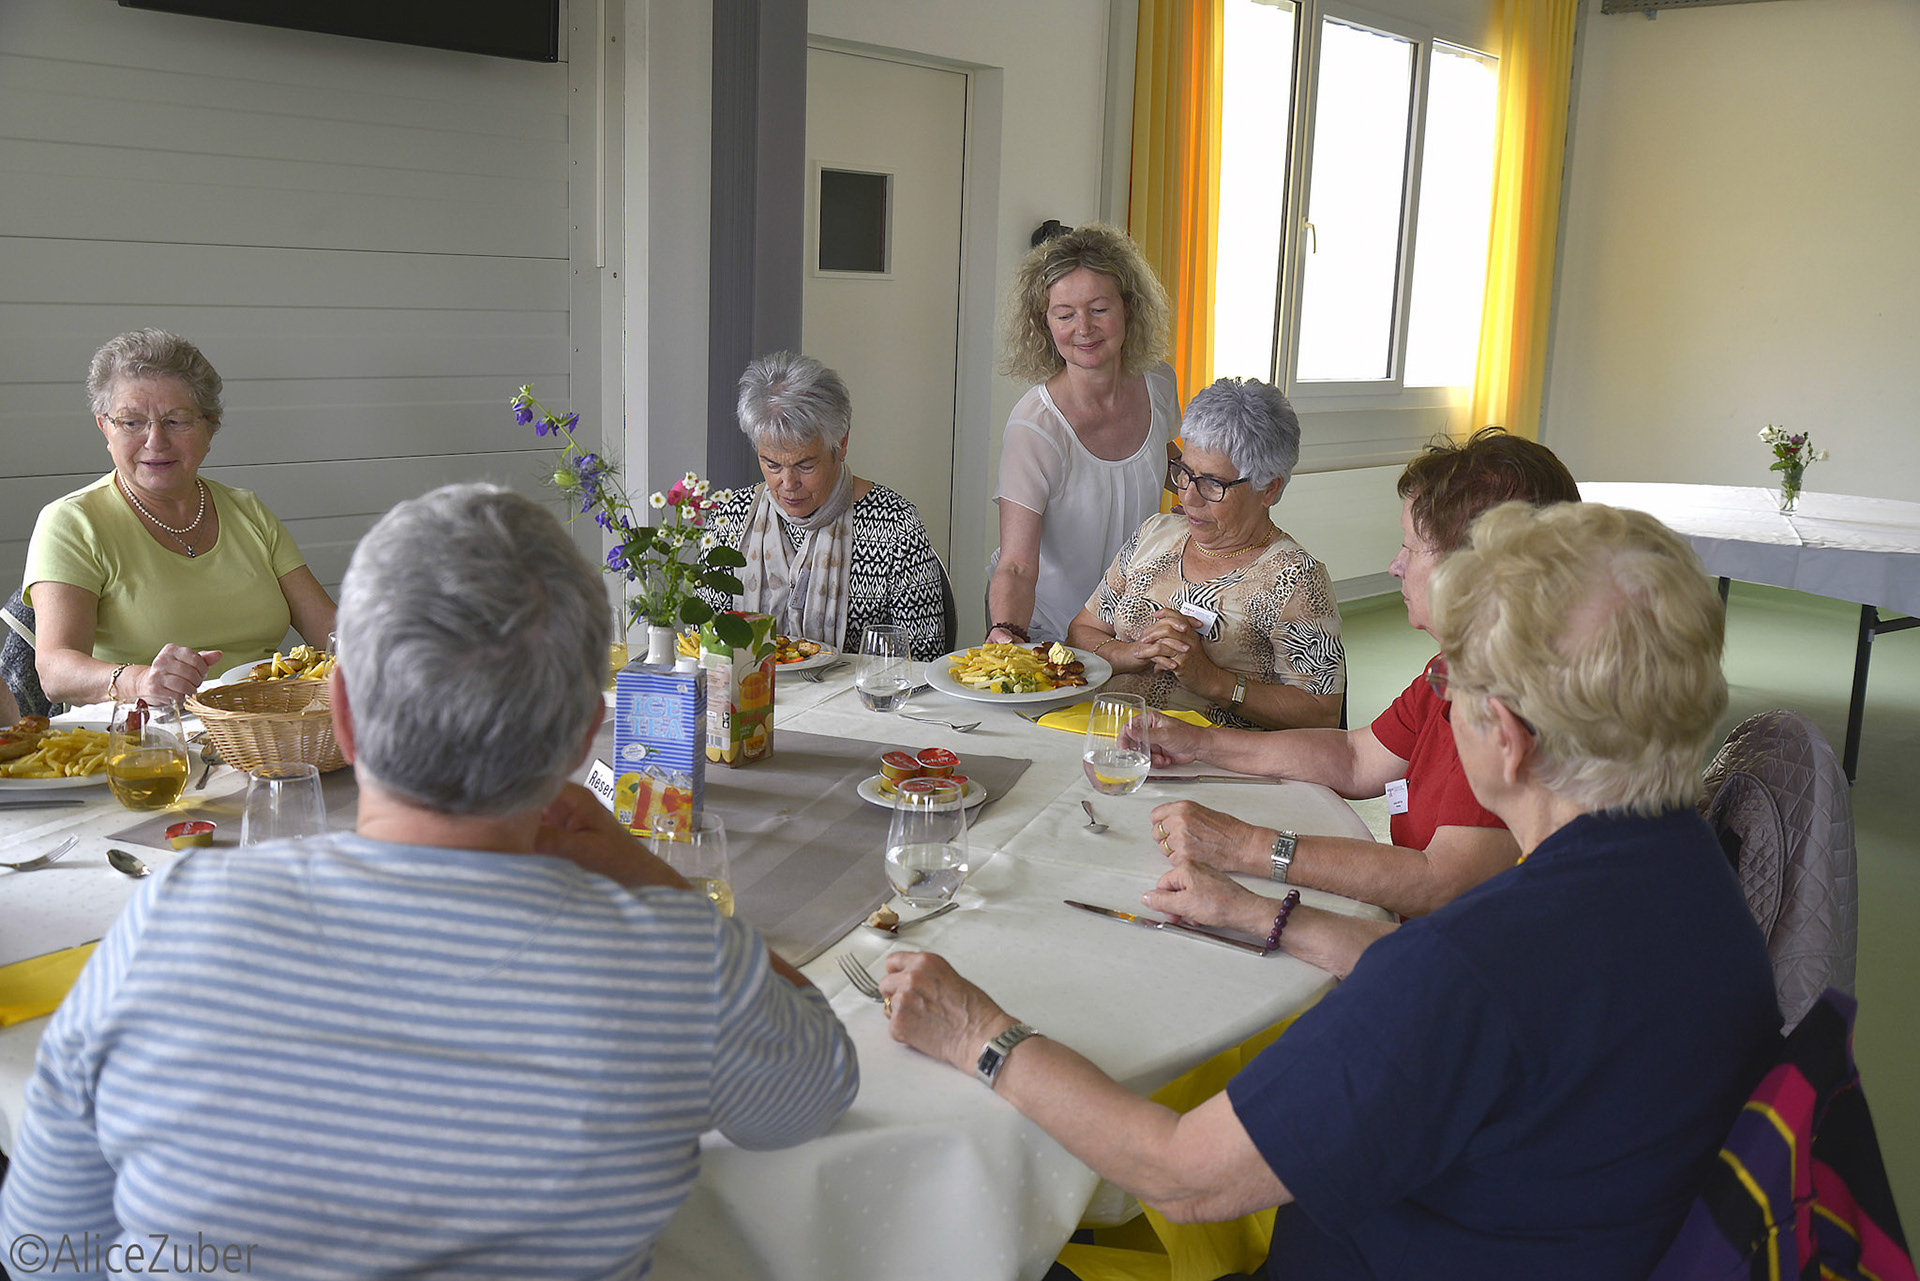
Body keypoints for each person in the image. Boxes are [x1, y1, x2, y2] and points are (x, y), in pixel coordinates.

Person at [878, 500, 1781, 1279]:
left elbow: (1184, 1173)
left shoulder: (1472, 968)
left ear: (1506, 738)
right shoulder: (1695, 875)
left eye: (1449, 681)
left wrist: (978, 1034)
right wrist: (1269, 913)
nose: (1440, 694)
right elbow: (1506, 1015)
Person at [0, 484, 858, 1276]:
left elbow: (43, 1249)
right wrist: (638, 865)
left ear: (340, 714)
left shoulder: (168, 924)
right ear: (581, 739)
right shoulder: (682, 965)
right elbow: (815, 1091)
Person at [1144, 427, 1580, 919]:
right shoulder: (1454, 668)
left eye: (1412, 549)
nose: (1394, 566)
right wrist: (1196, 742)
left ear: (1475, 570)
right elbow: (1355, 757)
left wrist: (1245, 846)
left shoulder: (1513, 704)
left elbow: (1439, 882)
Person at [25, 329, 337, 706]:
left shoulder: (247, 510)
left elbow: (333, 633)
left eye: (177, 421)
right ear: (104, 427)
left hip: (263, 728)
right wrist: (140, 682)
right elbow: (55, 671)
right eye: (131, 422)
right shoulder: (73, 522)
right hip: (149, 742)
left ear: (211, 426)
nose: (155, 440)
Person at [1065, 377, 1342, 730]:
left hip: (1213, 768)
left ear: (1268, 489)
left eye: (1213, 483)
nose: (1188, 497)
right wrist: (1130, 653)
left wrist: (1211, 680)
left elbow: (1321, 714)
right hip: (1107, 740)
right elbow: (1081, 632)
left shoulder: (1295, 579)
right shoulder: (1155, 535)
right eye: (1185, 472)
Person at [986, 223, 1180, 646]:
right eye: (1065, 314)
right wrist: (1007, 632)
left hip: (1133, 626)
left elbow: (1165, 459)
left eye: (1099, 309)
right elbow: (1016, 566)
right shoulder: (1034, 426)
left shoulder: (1159, 383)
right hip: (1051, 633)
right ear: (1045, 324)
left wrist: (1219, 495)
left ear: (1128, 308)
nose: (1084, 328)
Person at [700, 351, 948, 660]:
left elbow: (922, 658)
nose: (788, 484)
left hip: (858, 706)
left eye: (805, 466)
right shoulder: (730, 518)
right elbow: (704, 642)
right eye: (772, 465)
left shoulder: (895, 526)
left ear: (841, 444)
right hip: (752, 702)